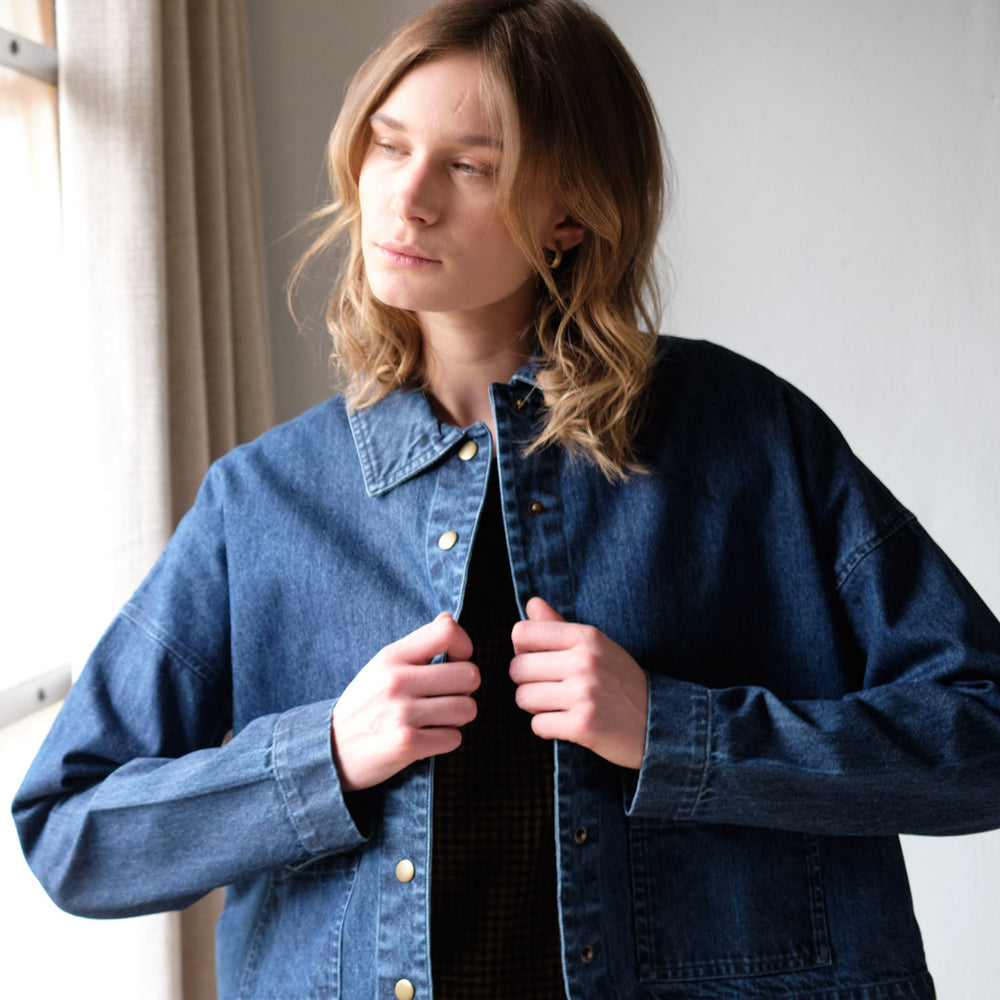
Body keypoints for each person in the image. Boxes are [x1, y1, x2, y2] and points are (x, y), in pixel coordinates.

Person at [13, 1, 1000, 998]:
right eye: (389, 146)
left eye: (470, 166)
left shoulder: (747, 439)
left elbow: (981, 728)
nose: (408, 199)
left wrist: (676, 732)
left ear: (571, 216)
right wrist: (323, 757)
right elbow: (70, 830)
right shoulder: (263, 499)